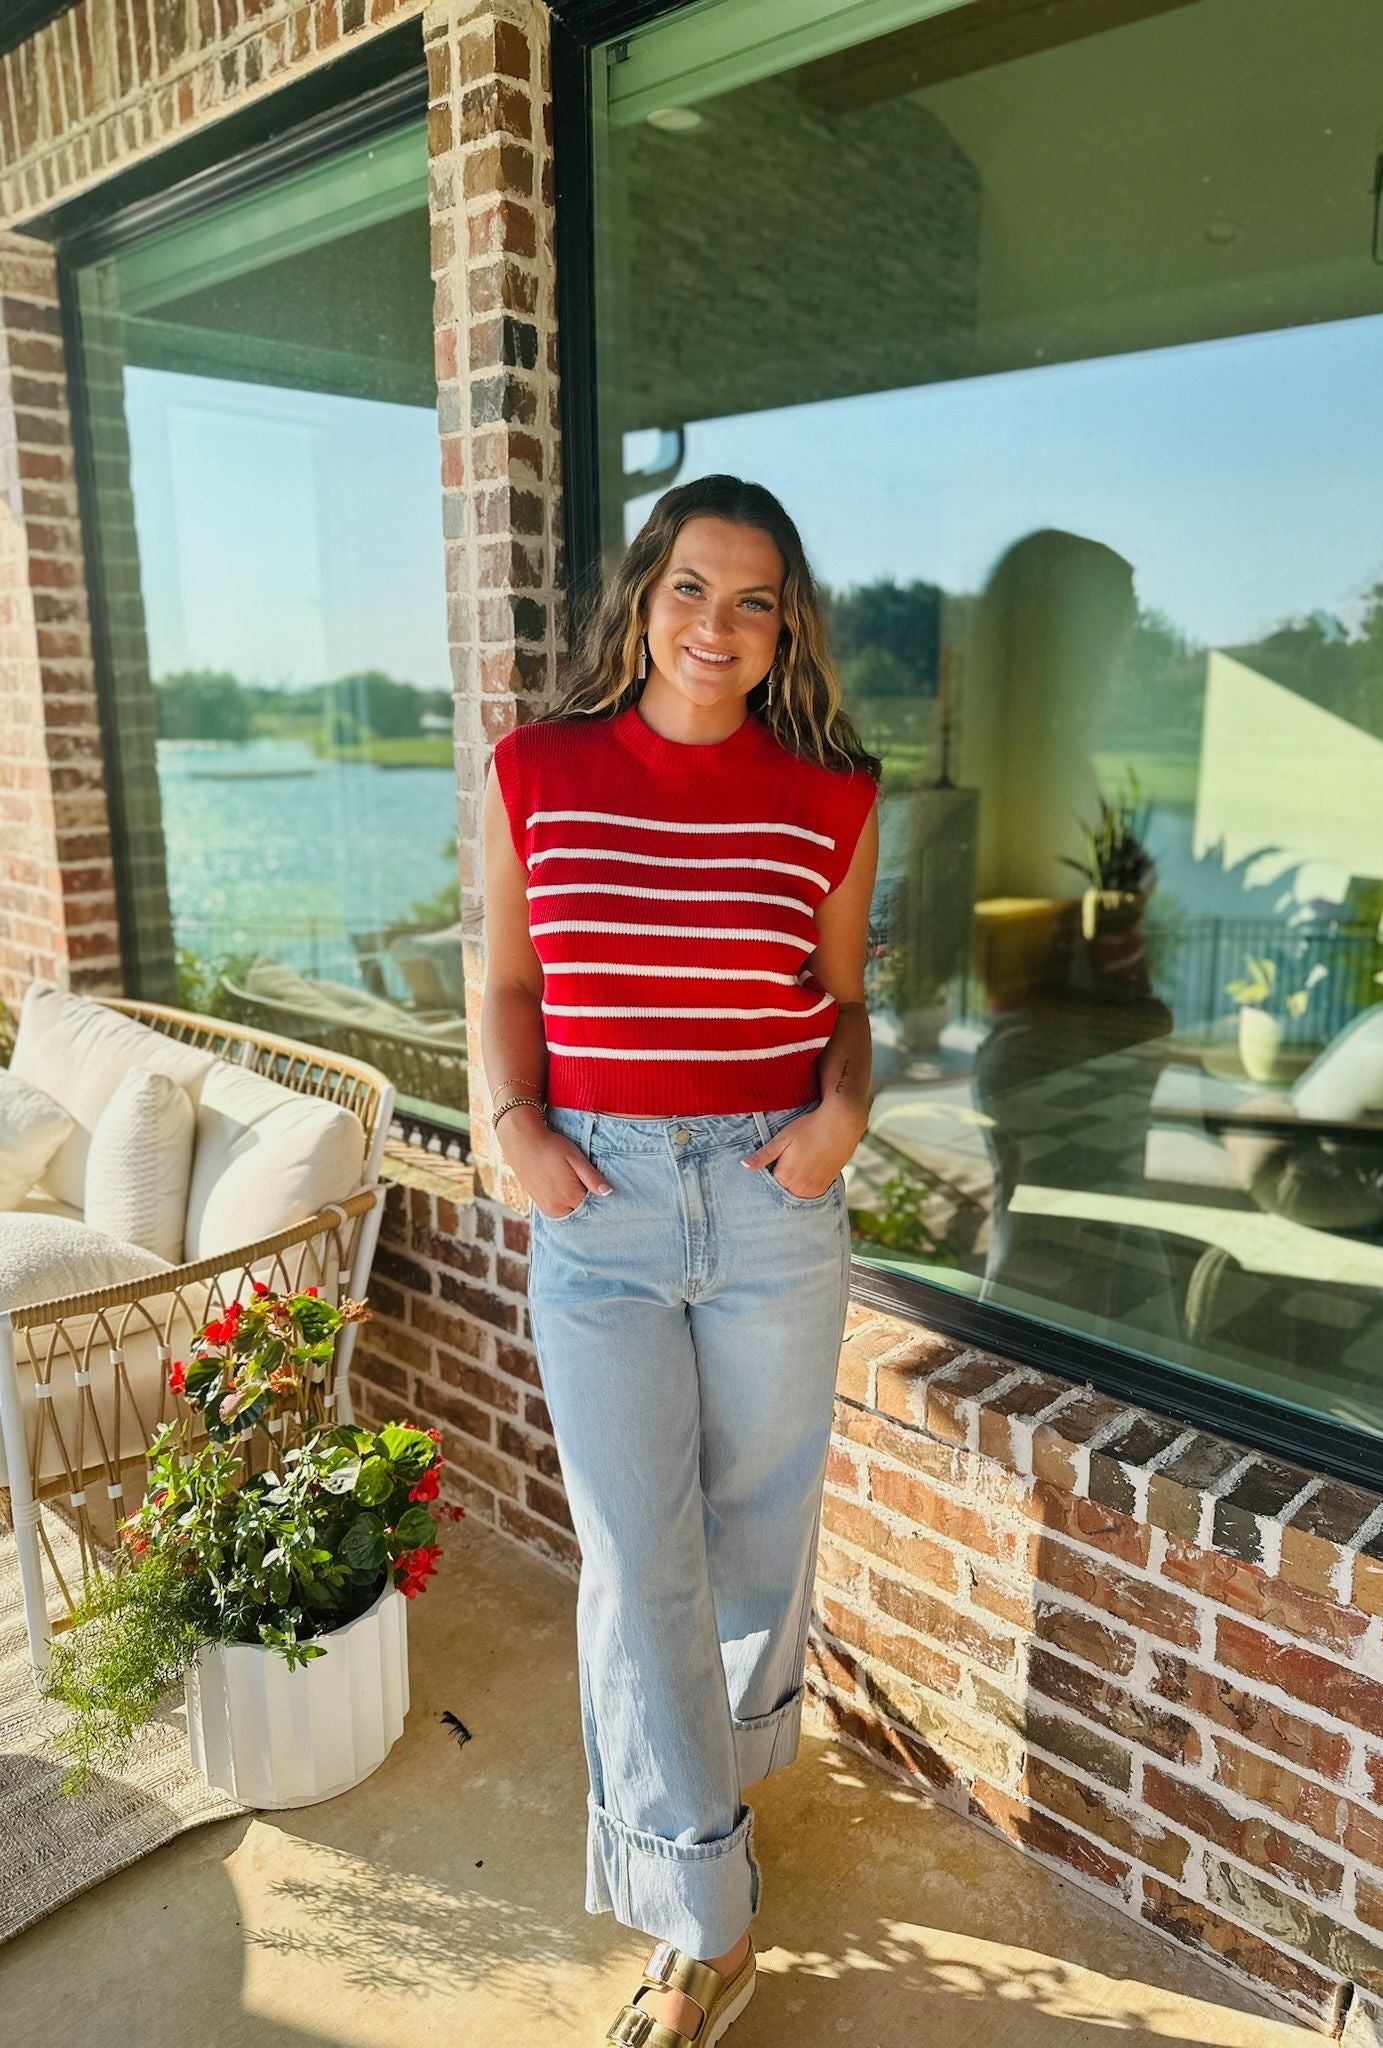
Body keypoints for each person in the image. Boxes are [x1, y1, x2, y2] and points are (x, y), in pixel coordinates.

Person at [480, 473, 881, 2046]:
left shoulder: (834, 793)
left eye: (754, 598)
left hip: (778, 1190)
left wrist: (847, 1109)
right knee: (641, 1554)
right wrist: (512, 1124)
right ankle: (704, 1917)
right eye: (693, 588)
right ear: (645, 596)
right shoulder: (540, 766)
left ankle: (711, 1791)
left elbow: (846, 1001)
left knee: (758, 1537)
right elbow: (509, 978)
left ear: (785, 625)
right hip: (601, 1199)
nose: (719, 624)